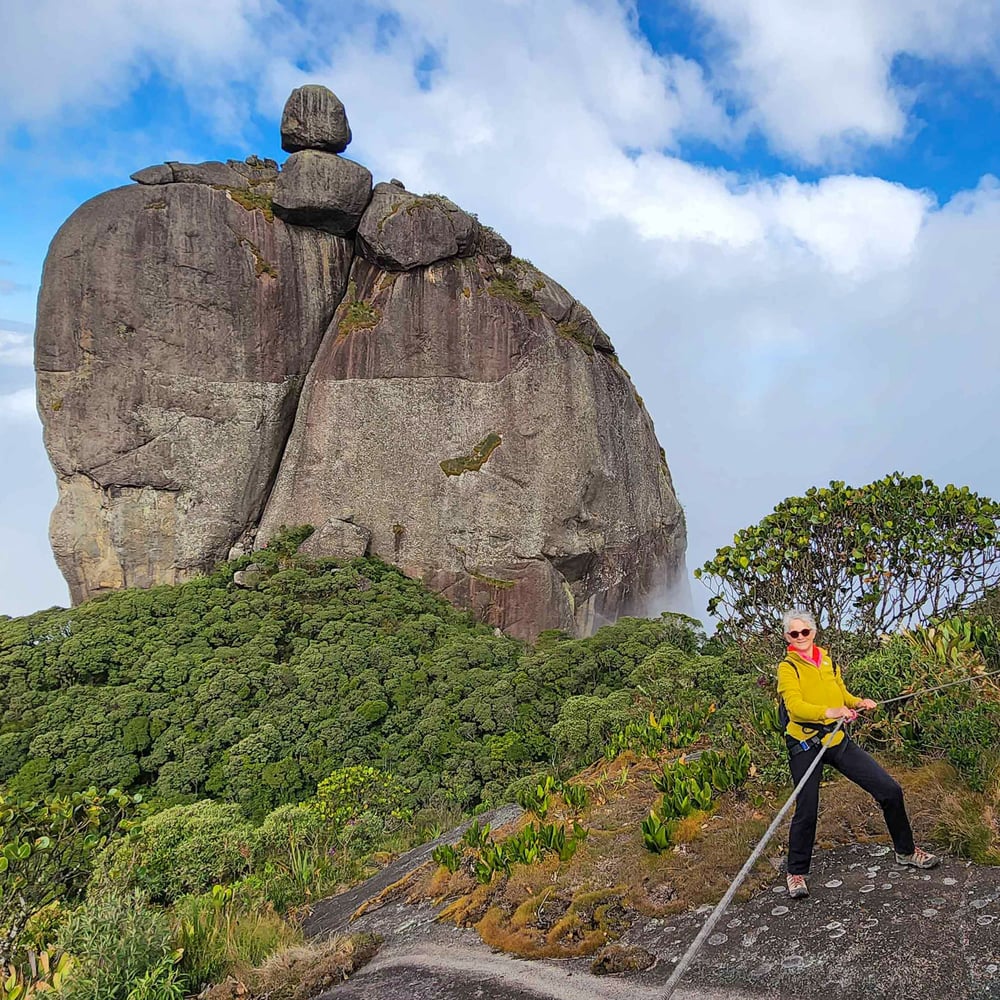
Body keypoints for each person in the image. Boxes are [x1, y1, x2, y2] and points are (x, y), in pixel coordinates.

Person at [777, 608, 938, 899]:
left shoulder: (827, 660)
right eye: (794, 633)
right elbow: (795, 707)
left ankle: (905, 851)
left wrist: (857, 702)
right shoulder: (788, 668)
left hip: (837, 740)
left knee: (889, 789)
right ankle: (796, 873)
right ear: (787, 636)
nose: (800, 637)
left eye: (805, 631)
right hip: (806, 745)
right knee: (807, 809)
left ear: (814, 632)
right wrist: (830, 712)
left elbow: (841, 693)